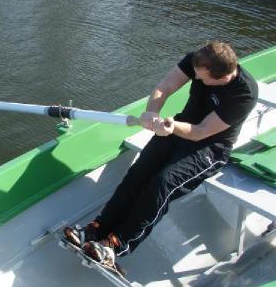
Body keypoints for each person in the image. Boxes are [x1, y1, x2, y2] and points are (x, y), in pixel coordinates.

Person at [64, 41, 258, 272]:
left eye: (201, 77)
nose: (196, 78)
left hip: (210, 147)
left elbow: (201, 132)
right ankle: (97, 228)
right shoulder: (201, 59)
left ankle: (117, 245)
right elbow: (163, 88)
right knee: (139, 172)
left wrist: (171, 126)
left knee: (162, 183)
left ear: (222, 77)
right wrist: (152, 113)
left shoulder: (243, 93)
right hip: (176, 127)